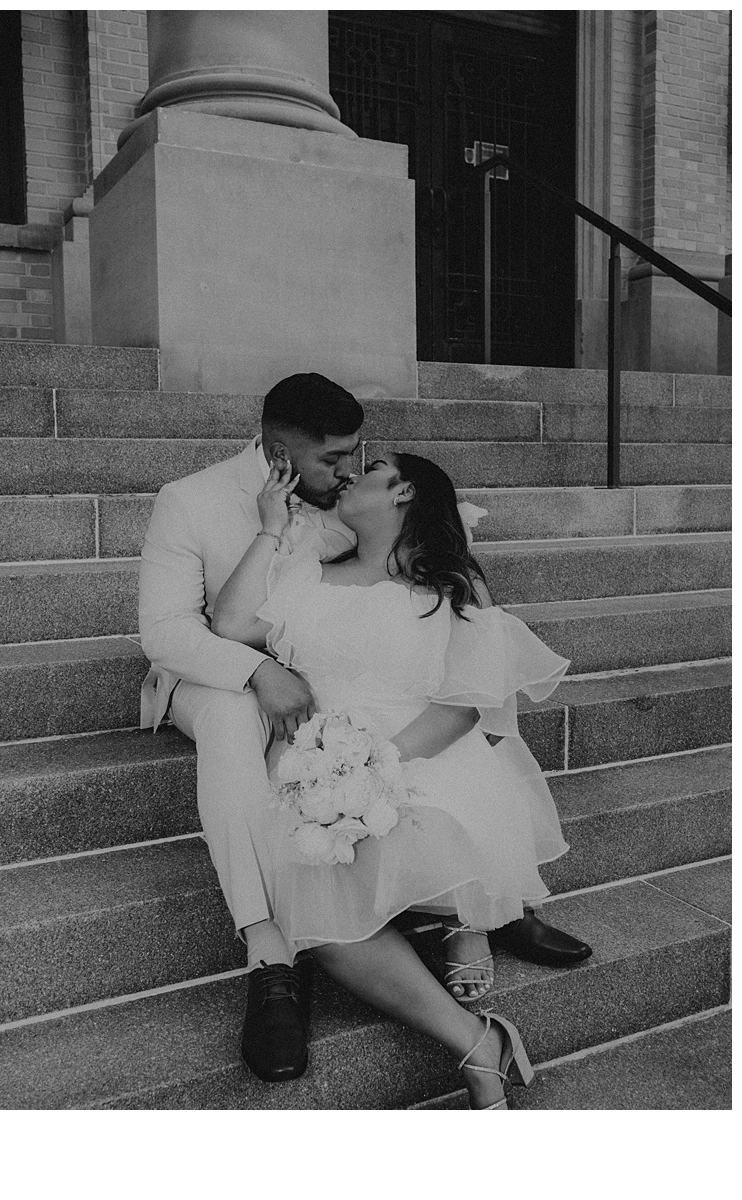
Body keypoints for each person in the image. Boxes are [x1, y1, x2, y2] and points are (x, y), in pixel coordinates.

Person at [139, 373, 590, 1088]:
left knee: (435, 723)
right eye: (336, 459)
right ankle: (270, 952)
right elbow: (169, 633)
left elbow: (422, 604)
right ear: (279, 447)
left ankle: (476, 901)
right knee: (233, 720)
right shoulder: (190, 501)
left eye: (362, 457)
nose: (349, 470)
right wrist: (259, 672)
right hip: (217, 676)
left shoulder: (346, 510)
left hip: (338, 692)